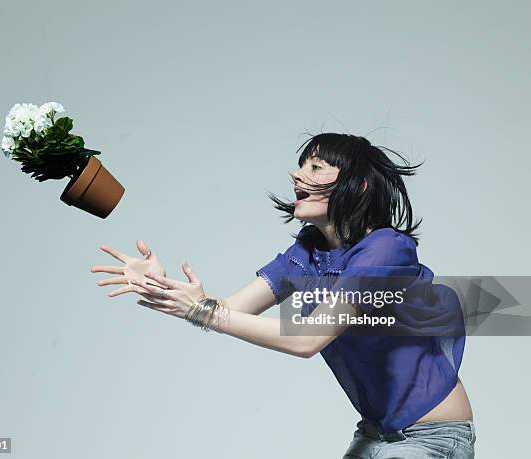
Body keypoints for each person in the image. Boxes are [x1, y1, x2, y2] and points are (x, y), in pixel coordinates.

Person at [91, 133, 475, 458]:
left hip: (430, 439)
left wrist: (203, 311)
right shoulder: (306, 253)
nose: (297, 174)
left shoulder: (386, 249)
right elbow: (229, 311)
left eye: (316, 167)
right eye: (301, 165)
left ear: (356, 186)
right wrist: (164, 288)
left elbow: (307, 340)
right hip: (373, 436)